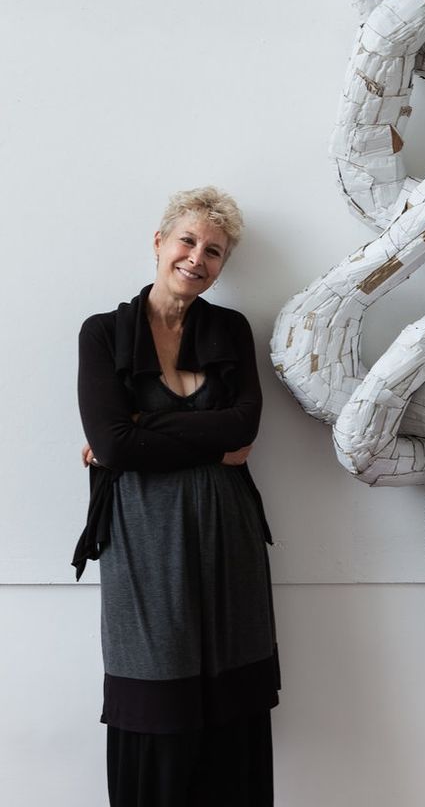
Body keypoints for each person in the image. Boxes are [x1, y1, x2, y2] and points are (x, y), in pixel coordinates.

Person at [73, 186, 279, 807]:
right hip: (141, 538)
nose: (198, 258)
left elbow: (243, 426)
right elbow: (111, 444)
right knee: (154, 694)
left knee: (231, 700)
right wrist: (195, 442)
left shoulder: (231, 329)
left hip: (229, 537)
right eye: (188, 241)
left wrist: (143, 429)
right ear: (159, 243)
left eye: (214, 251)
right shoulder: (104, 333)